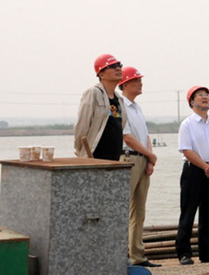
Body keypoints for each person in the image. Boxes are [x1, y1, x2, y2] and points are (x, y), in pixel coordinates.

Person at [175, 86, 209, 265]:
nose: (205, 97)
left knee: (207, 213)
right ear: (192, 102)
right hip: (194, 171)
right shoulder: (187, 124)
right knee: (188, 212)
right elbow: (186, 150)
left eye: (206, 95)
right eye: (200, 95)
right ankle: (184, 253)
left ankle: (206, 252)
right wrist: (207, 167)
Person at [119, 66, 161, 269]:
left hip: (142, 159)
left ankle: (137, 255)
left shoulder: (137, 108)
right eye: (136, 80)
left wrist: (150, 159)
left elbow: (145, 136)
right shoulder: (120, 106)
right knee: (124, 209)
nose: (140, 83)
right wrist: (150, 155)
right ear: (125, 84)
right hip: (128, 158)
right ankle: (120, 254)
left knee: (139, 210)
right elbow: (127, 137)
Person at [73, 53, 130, 160]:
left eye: (119, 65)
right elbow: (82, 126)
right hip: (95, 158)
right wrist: (82, 152)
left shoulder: (119, 99)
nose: (118, 69)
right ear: (101, 74)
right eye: (112, 66)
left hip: (114, 159)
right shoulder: (93, 93)